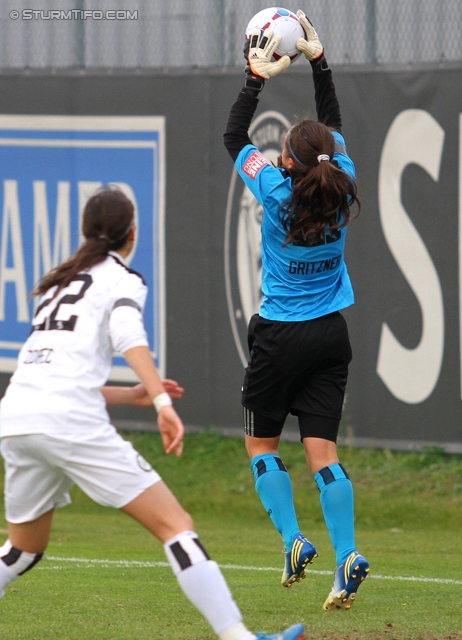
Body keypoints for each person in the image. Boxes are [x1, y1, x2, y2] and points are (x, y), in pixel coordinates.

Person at [0, 186, 305, 640]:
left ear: (86, 232)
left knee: (23, 549)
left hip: (17, 418)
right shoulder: (122, 278)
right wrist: (162, 403)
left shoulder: (57, 282)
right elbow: (128, 337)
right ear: (133, 233)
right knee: (176, 525)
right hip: (67, 423)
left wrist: (134, 395)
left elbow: (57, 373)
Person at [223, 12, 370, 611]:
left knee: (262, 445)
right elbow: (330, 129)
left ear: (287, 160)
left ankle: (292, 540)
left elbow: (235, 138)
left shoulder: (277, 191)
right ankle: (348, 554)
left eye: (284, 147)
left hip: (280, 335)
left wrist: (256, 78)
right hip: (331, 334)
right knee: (323, 454)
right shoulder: (342, 181)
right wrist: (319, 60)